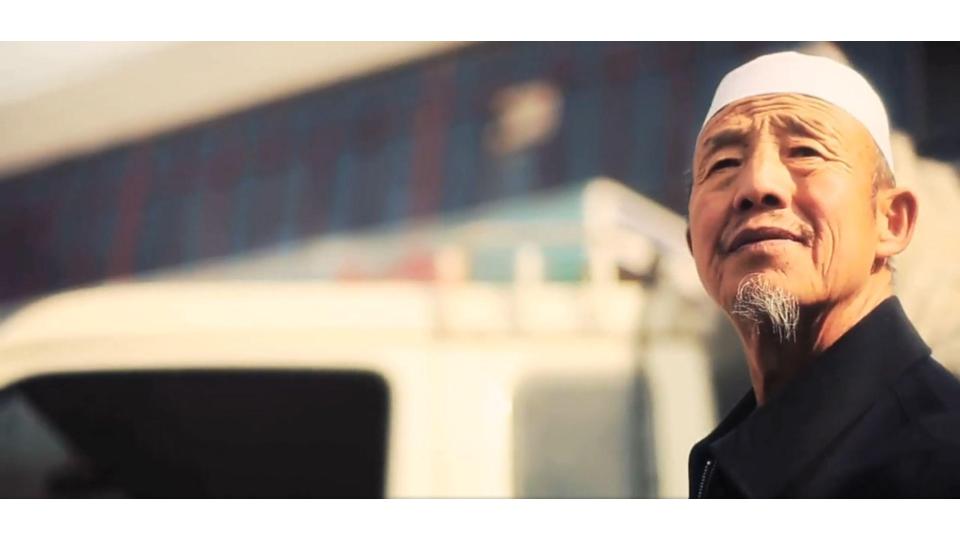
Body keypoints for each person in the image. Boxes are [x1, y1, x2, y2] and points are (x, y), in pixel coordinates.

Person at [685, 51, 960, 497]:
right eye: (724, 164)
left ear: (892, 221)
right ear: (692, 241)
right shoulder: (731, 458)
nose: (757, 185)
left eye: (805, 152)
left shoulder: (939, 463)